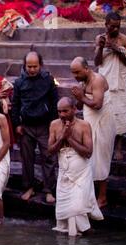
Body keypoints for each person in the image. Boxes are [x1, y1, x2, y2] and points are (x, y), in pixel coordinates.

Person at [48, 97, 104, 236]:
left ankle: (82, 234)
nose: (62, 115)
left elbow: (88, 153)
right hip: (64, 172)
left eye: (65, 111)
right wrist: (62, 137)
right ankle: (75, 237)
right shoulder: (54, 125)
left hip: (81, 173)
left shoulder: (84, 125)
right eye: (59, 111)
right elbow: (50, 151)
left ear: (74, 109)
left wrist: (69, 138)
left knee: (77, 207)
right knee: (66, 210)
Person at [12, 51, 58, 203]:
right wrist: (17, 124)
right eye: (29, 66)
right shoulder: (19, 82)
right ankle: (29, 187)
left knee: (48, 158)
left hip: (45, 126)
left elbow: (54, 102)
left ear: (40, 65)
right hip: (26, 127)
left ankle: (48, 190)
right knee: (27, 158)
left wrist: (53, 124)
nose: (32, 69)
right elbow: (15, 105)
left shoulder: (48, 80)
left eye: (35, 66)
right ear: (24, 66)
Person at [70, 57, 117, 208]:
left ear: (86, 68)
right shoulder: (83, 82)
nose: (75, 75)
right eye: (73, 73)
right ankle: (89, 194)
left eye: (77, 72)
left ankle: (102, 197)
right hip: (90, 123)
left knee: (101, 159)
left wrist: (81, 96)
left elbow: (97, 104)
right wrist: (78, 97)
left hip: (103, 123)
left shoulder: (98, 80)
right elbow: (79, 105)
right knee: (89, 158)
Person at [94, 12, 126, 161]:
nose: (115, 29)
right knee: (106, 114)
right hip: (105, 80)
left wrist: (115, 48)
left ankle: (118, 148)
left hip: (121, 81)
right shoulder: (100, 38)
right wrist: (101, 48)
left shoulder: (124, 39)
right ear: (106, 25)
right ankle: (106, 146)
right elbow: (96, 62)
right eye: (112, 26)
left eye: (118, 27)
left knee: (120, 115)